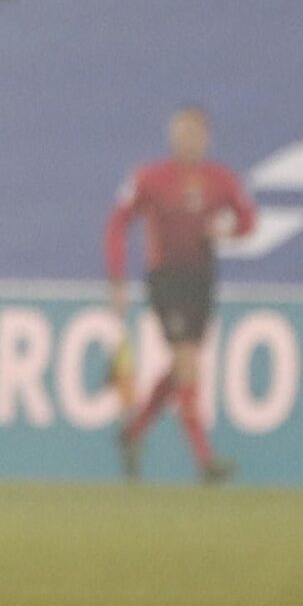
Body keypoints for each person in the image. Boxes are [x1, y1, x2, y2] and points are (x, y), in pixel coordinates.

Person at [106, 105, 256, 484]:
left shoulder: (221, 179)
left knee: (181, 369)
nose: (187, 141)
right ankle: (205, 461)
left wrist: (226, 233)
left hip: (202, 279)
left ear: (206, 138)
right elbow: (118, 223)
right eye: (180, 133)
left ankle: (133, 433)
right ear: (171, 136)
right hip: (166, 278)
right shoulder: (150, 177)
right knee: (188, 363)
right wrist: (118, 279)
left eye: (194, 134)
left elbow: (248, 220)